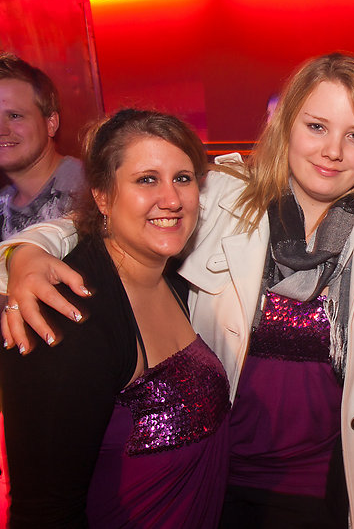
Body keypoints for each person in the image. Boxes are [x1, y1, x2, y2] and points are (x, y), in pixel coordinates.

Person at [0, 52, 354, 529]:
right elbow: (114, 214)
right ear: (286, 126)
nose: (333, 151)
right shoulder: (223, 196)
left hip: (324, 487)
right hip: (214, 474)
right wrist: (26, 253)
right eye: (316, 127)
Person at [0, 109, 230, 527]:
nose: (172, 199)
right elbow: (44, 510)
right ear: (103, 196)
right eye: (147, 180)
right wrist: (22, 254)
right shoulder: (65, 317)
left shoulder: (175, 278)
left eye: (182, 178)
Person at [0, 53, 83, 240]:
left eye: (14, 116)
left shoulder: (90, 192)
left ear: (51, 123)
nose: (1, 130)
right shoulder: (3, 206)